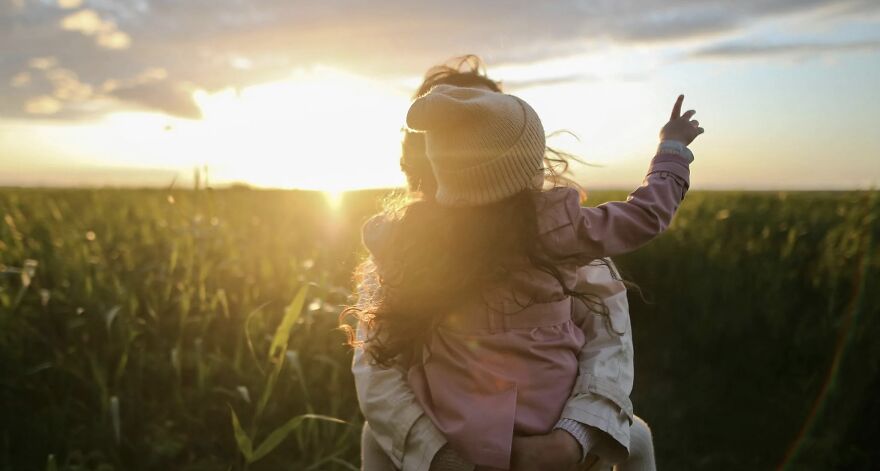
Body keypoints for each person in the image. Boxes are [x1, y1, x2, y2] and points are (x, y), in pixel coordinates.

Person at [345, 56, 702, 470]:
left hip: (538, 436)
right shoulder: (557, 230)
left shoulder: (407, 238)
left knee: (634, 437)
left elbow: (609, 339)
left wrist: (572, 438)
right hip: (452, 441)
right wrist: (442, 458)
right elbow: (378, 372)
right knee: (377, 436)